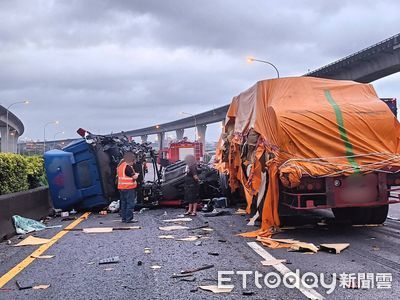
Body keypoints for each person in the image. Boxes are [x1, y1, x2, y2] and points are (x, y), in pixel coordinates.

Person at [117, 152, 139, 223]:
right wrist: (137, 175)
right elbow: (134, 177)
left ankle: (124, 218)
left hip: (121, 188)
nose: (133, 163)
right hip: (129, 188)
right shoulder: (128, 167)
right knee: (130, 204)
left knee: (124, 204)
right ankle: (129, 219)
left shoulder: (120, 166)